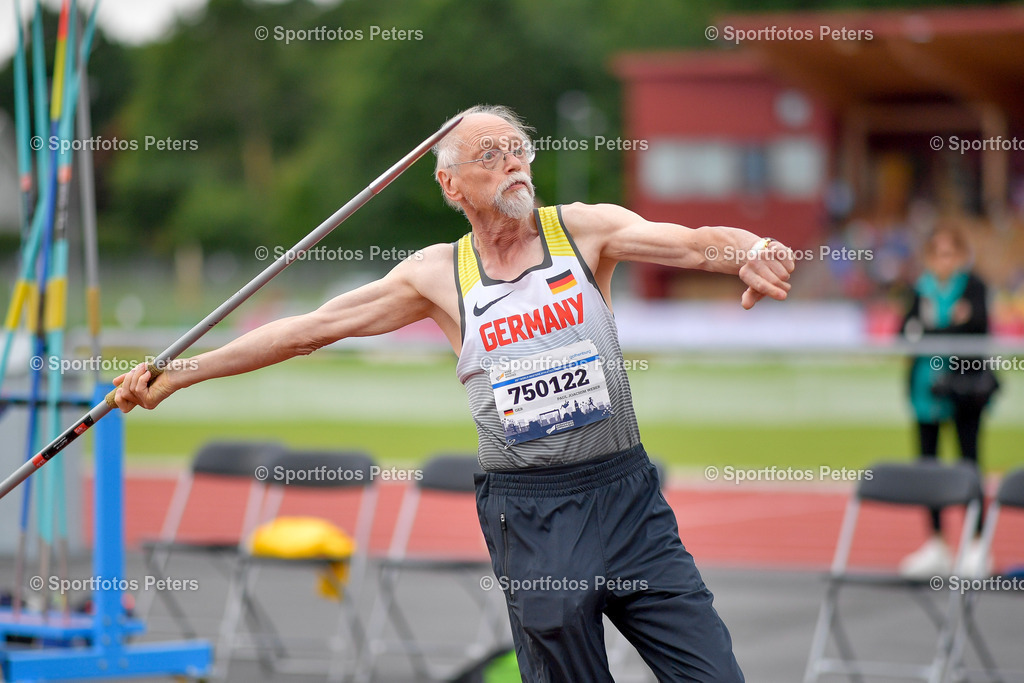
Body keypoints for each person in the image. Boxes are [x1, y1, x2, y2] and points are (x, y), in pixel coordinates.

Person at [113, 105, 795, 681]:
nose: (513, 163)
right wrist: (176, 376)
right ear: (450, 184)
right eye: (491, 155)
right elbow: (306, 331)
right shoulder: (438, 275)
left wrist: (755, 247)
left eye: (519, 150)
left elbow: (696, 242)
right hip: (531, 517)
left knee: (712, 671)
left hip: (626, 499)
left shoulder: (582, 230)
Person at [899, 226, 998, 579]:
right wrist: (949, 327)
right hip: (925, 388)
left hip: (964, 389)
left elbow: (979, 327)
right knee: (928, 466)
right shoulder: (919, 289)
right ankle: (936, 543)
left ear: (961, 255)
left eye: (950, 252)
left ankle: (976, 543)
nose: (944, 261)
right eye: (937, 253)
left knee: (969, 464)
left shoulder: (975, 286)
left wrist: (929, 332)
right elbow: (903, 332)